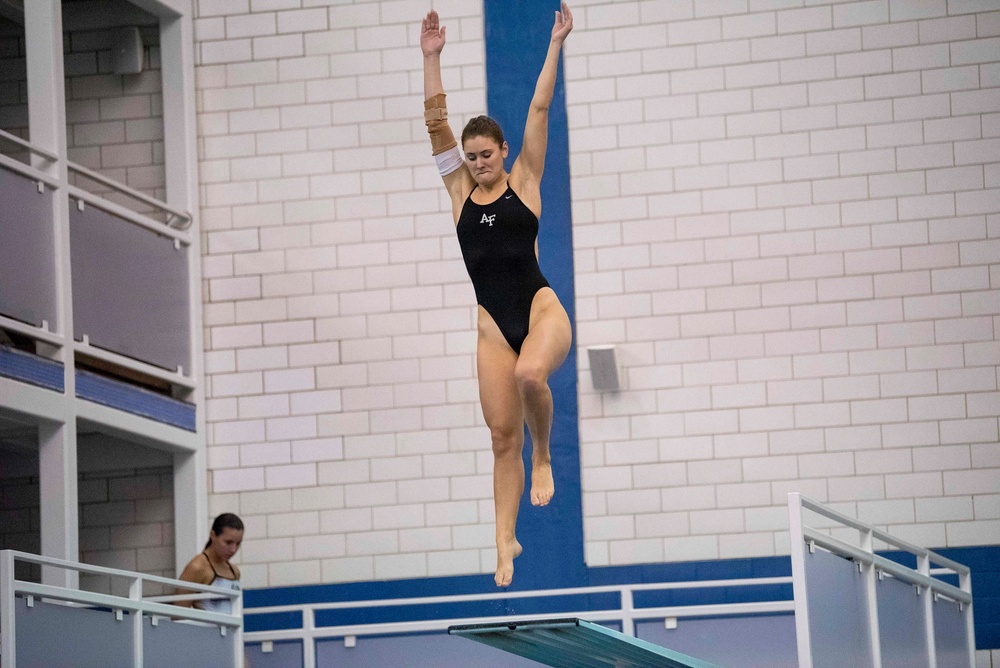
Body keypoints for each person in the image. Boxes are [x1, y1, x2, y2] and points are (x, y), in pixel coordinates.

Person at [420, 4, 574, 587]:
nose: (479, 163)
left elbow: (539, 108)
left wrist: (555, 42)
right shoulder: (458, 191)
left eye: (487, 154)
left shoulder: (526, 182)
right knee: (499, 436)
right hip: (491, 325)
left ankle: (545, 456)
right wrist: (431, 59)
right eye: (472, 156)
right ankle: (503, 541)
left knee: (531, 376)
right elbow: (435, 125)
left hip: (539, 310)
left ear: (503, 151)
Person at [176, 512, 243, 613]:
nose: (233, 549)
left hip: (233, 628)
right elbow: (177, 614)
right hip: (208, 628)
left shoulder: (235, 571)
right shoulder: (197, 567)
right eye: (228, 542)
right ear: (213, 535)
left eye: (238, 543)